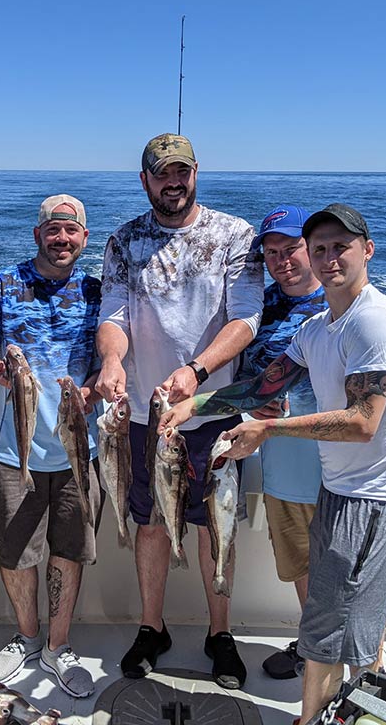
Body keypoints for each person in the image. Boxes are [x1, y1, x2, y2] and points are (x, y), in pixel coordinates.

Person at [160, 203, 386, 721]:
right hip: (340, 490)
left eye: (339, 247)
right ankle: (350, 709)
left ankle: (330, 713)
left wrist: (268, 429)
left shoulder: (375, 321)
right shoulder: (318, 327)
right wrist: (195, 404)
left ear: (367, 251)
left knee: (335, 626)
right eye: (320, 248)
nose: (328, 259)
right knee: (337, 619)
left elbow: (361, 421)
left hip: (378, 498)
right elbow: (263, 384)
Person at [95, 134, 264, 690]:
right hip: (146, 415)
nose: (174, 181)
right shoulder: (124, 241)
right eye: (162, 173)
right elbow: (114, 315)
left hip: (213, 409)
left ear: (196, 173)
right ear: (144, 180)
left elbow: (245, 319)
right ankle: (153, 627)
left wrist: (196, 371)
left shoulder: (235, 235)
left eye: (182, 171)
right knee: (149, 524)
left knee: (216, 528)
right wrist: (113, 362)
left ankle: (220, 634)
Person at [0, 194, 103, 699]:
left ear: (85, 238)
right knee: (18, 551)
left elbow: (113, 354)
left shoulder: (99, 291)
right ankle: (26, 636)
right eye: (53, 229)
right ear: (37, 234)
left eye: (71, 230)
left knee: (69, 549)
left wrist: (97, 386)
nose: (62, 238)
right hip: (12, 448)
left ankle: (57, 645)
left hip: (79, 449)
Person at [240, 206, 328, 680]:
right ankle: (312, 646)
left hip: (340, 468)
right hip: (281, 466)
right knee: (301, 567)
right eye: (271, 252)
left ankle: (360, 672)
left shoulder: (344, 305)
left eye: (290, 248)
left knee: (344, 577)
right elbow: (250, 380)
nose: (281, 260)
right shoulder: (260, 308)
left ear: (311, 249)